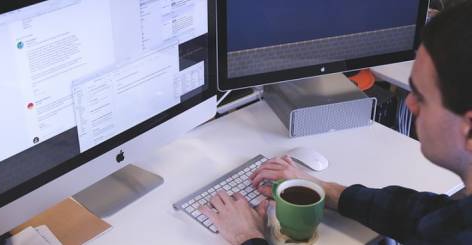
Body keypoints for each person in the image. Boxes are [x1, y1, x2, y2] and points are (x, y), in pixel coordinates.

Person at [200, 1, 472, 244]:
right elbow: (426, 216)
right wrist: (323, 190)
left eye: (421, 97)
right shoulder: (458, 220)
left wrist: (247, 237)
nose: (409, 104)